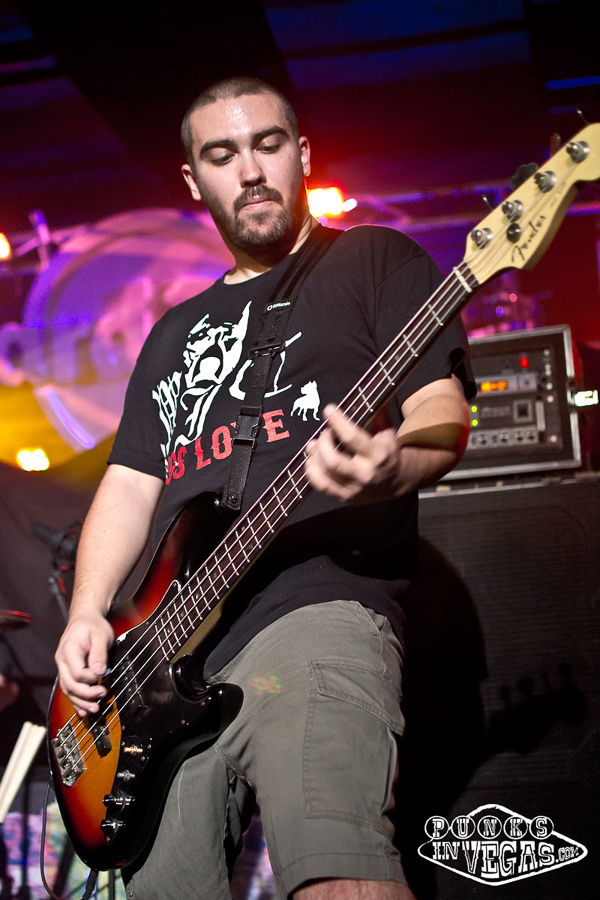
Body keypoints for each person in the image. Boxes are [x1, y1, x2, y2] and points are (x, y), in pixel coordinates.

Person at [55, 77, 474, 900]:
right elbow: (132, 482)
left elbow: (441, 409)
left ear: (303, 153)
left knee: (337, 873)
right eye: (222, 155)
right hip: (168, 665)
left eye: (267, 144)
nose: (249, 170)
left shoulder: (375, 260)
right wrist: (85, 613)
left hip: (313, 608)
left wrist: (393, 465)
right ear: (193, 180)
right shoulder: (172, 332)